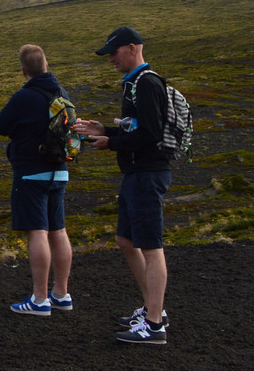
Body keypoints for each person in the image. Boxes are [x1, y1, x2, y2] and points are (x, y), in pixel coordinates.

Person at [73, 26, 172, 345]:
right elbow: (138, 129)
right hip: (137, 174)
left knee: (151, 246)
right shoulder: (135, 84)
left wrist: (110, 144)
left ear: (132, 48)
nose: (111, 59)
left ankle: (155, 326)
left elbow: (151, 135)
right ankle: (151, 309)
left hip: (147, 173)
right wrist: (107, 131)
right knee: (126, 239)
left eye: (114, 53)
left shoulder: (147, 83)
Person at [0, 44, 73, 316]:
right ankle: (61, 294)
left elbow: (0, 125)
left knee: (37, 232)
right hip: (60, 170)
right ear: (47, 65)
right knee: (58, 231)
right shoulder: (62, 93)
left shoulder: (23, 97)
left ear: (23, 70)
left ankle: (40, 300)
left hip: (30, 172)